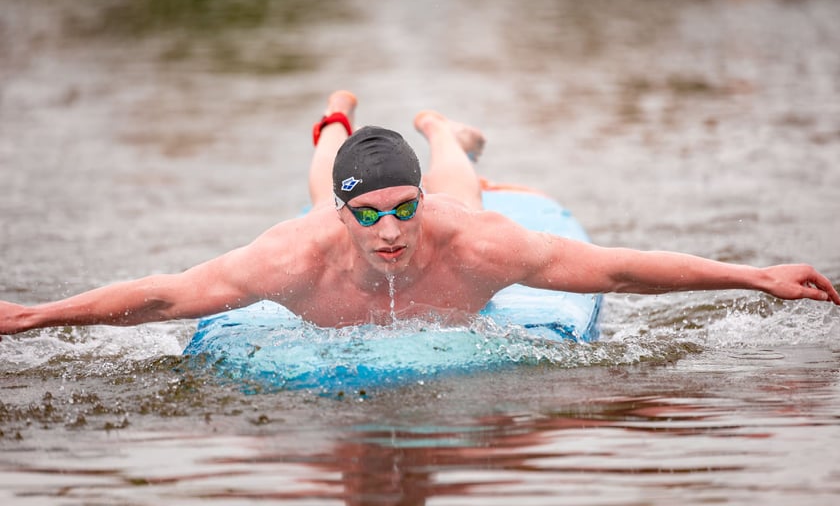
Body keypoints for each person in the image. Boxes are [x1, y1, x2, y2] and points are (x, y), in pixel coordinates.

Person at [1, 90, 838, 337]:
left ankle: (444, 132)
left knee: (461, 184)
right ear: (341, 224)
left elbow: (617, 268)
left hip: (455, 195)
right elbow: (164, 294)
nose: (393, 230)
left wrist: (757, 276)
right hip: (329, 185)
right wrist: (34, 316)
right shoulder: (290, 257)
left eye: (405, 210)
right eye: (369, 217)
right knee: (328, 163)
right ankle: (334, 118)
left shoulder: (461, 237)